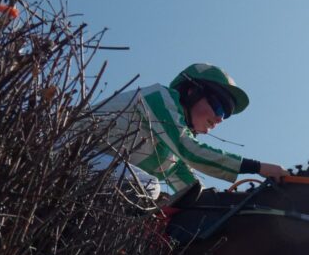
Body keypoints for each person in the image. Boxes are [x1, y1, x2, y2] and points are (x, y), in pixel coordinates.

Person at [89, 63, 287, 206]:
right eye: (218, 107)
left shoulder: (172, 155)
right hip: (68, 153)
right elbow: (191, 151)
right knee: (149, 187)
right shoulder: (159, 97)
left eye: (225, 115)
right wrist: (257, 167)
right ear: (191, 91)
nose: (219, 119)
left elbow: (193, 193)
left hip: (92, 172)